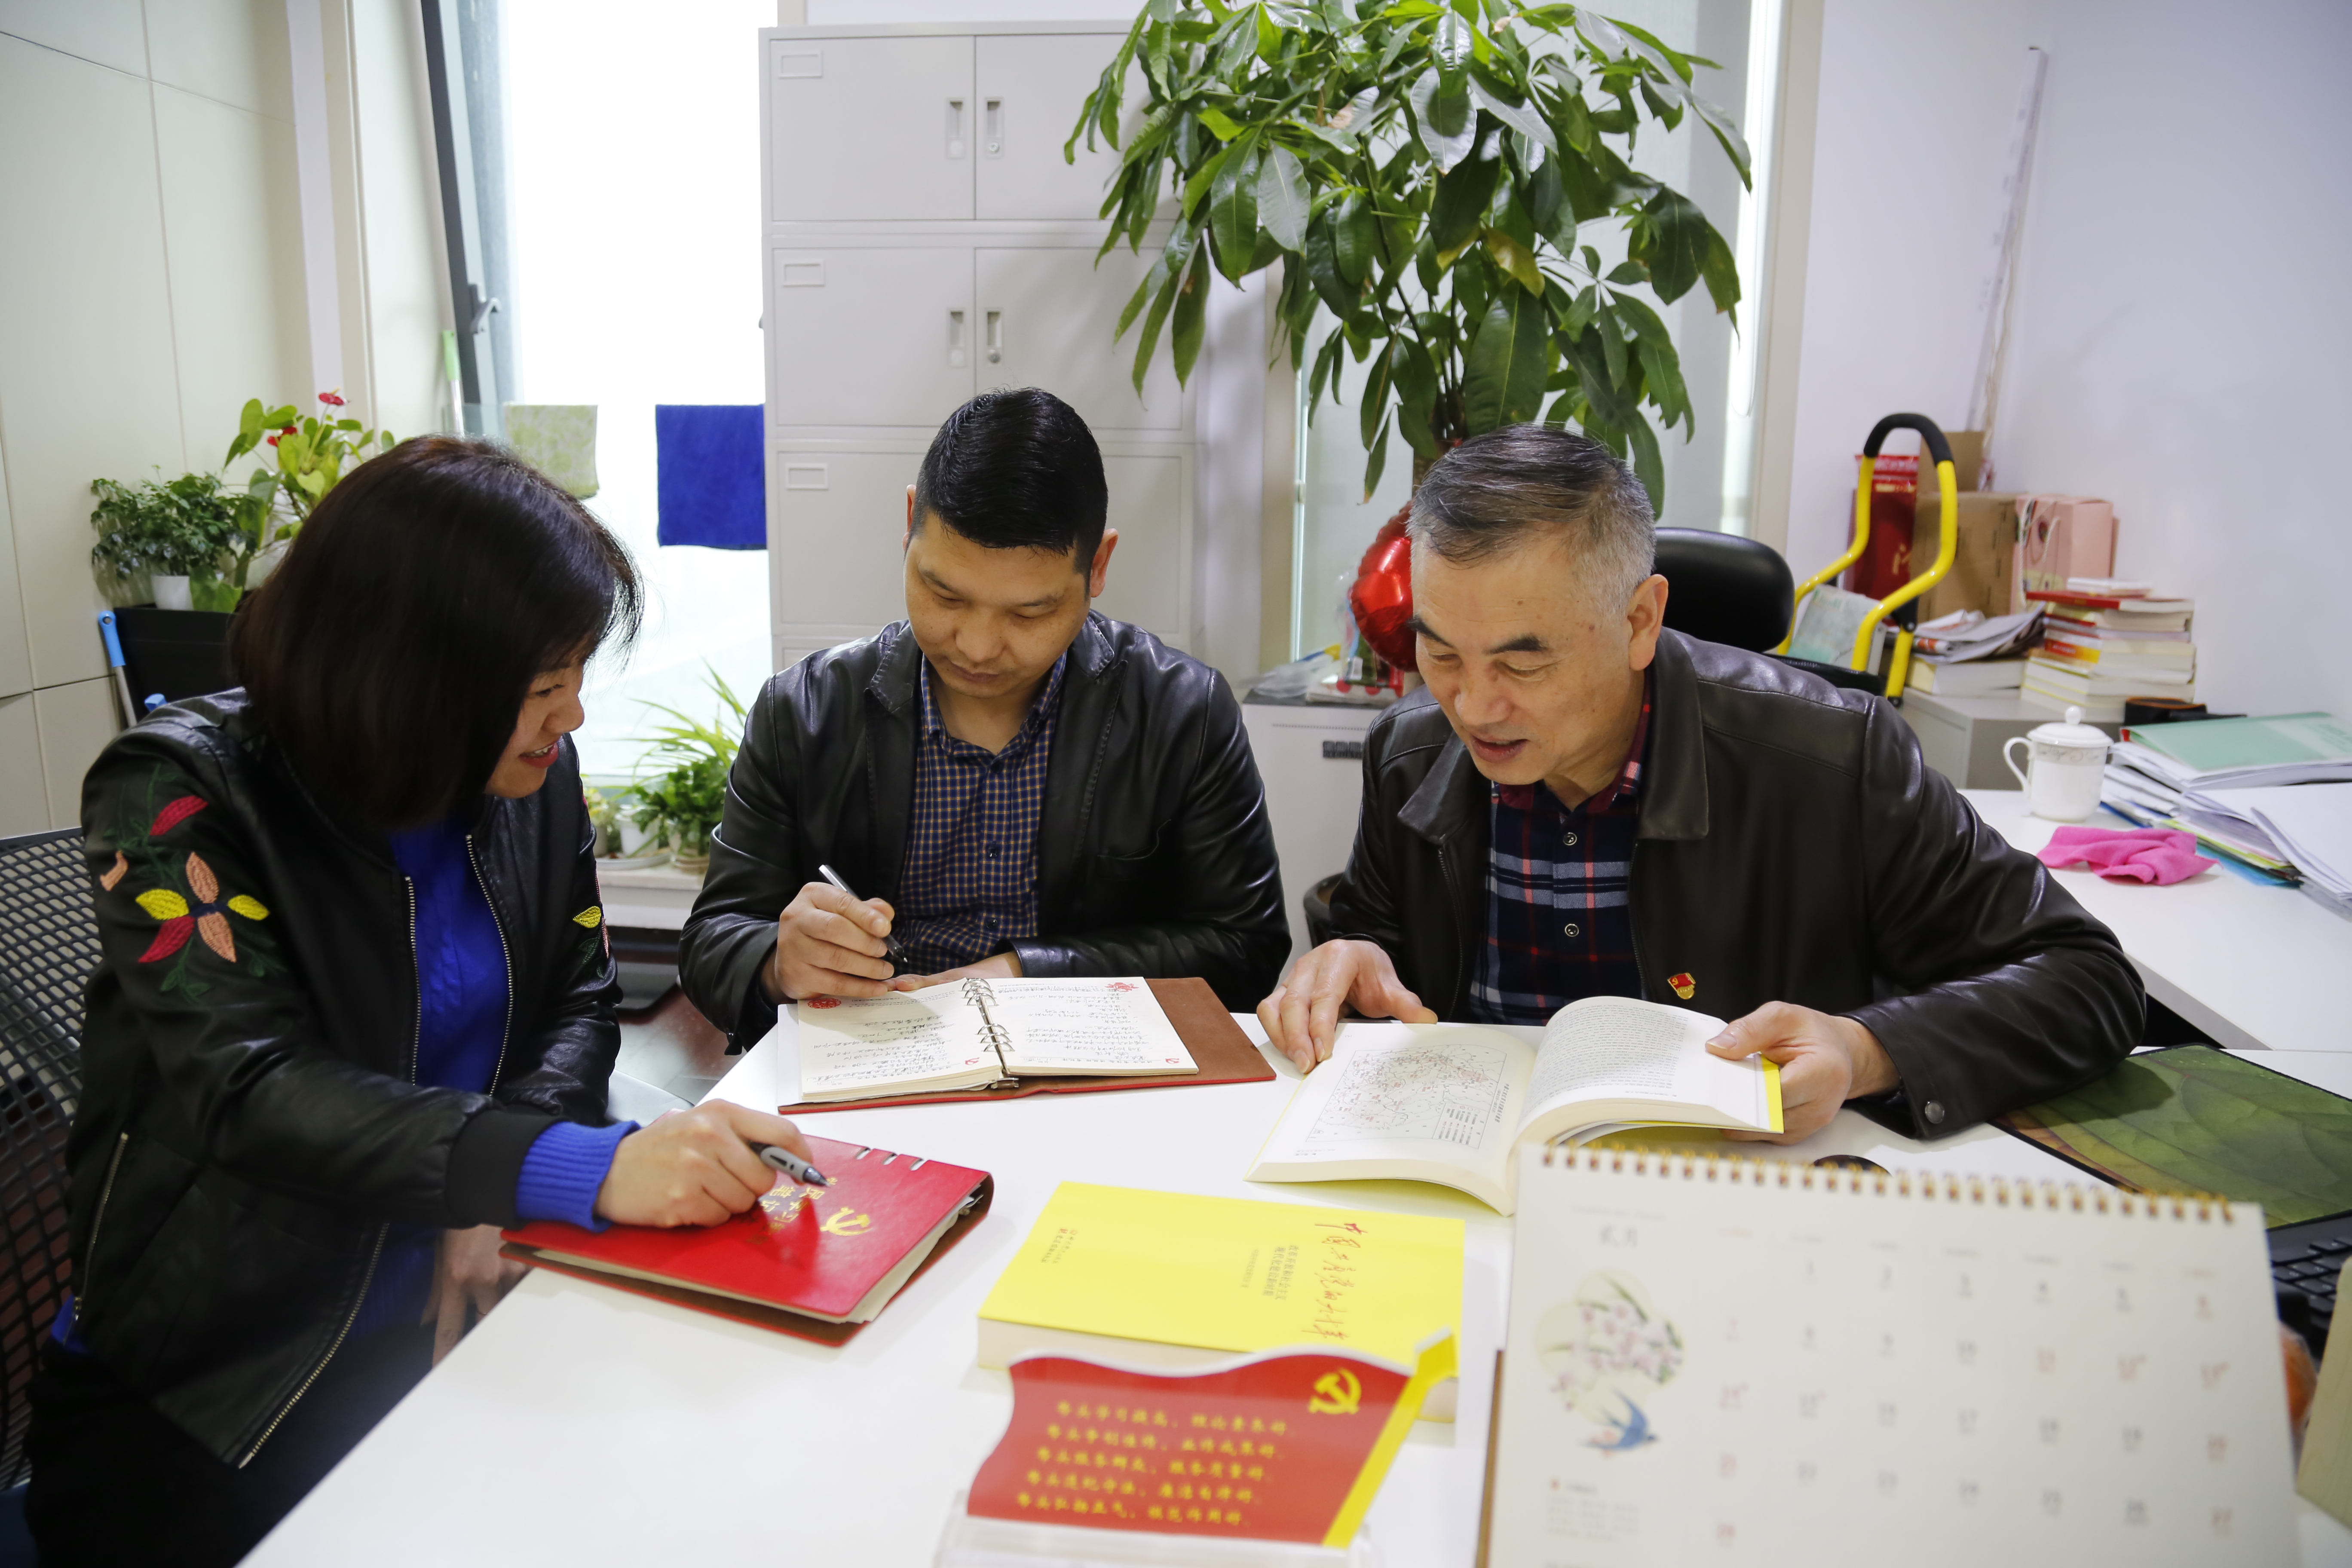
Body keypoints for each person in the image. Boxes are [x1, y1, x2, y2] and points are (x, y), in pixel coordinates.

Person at [29, 438, 818, 1567]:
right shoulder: (177, 792)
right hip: (223, 1393)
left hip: (463, 1321)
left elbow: (579, 998)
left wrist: (495, 1188)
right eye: (542, 690)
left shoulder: (527, 782)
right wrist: (561, 1166)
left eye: (575, 676)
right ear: (411, 677)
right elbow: (251, 1089)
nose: (572, 717)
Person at [1256, 426, 2143, 1141]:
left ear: (1641, 621)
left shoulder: (1838, 757)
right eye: (1441, 653)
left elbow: (2088, 979)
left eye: (1524, 665)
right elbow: (1383, 945)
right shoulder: (1410, 751)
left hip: (1742, 1183)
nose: (1474, 707)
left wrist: (1863, 1047)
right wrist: (1355, 958)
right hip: (1481, 1171)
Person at [682, 387, 1286, 1043]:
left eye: (1029, 613)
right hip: (867, 1060)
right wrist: (779, 962)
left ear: (1098, 566)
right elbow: (713, 943)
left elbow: (1244, 949)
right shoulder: (802, 713)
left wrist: (1022, 974)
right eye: (944, 594)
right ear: (910, 523)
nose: (975, 647)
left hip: (1088, 1067)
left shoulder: (1183, 712)